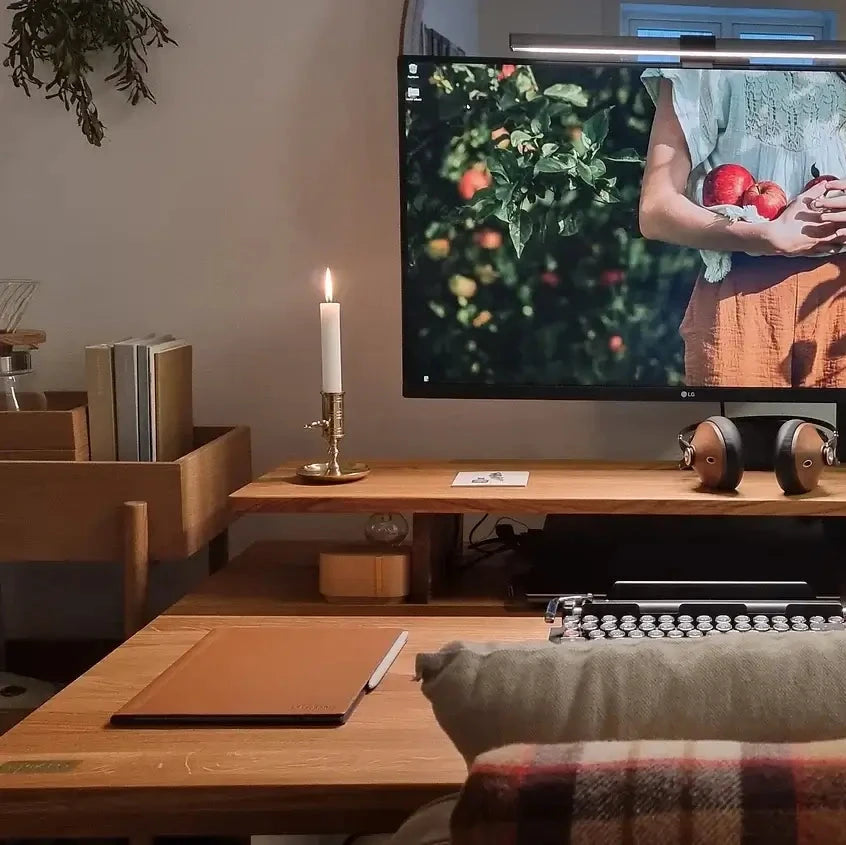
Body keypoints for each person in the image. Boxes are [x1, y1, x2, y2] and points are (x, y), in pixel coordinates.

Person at [640, 68, 846, 388]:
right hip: (742, 294)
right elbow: (655, 210)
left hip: (838, 291)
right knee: (739, 433)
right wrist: (767, 236)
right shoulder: (712, 59)